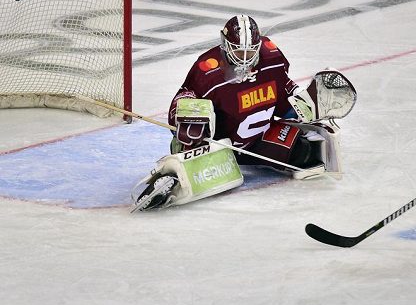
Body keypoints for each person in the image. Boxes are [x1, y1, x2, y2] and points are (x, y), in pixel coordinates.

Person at [132, 15, 356, 212]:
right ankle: (171, 176)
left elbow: (283, 93)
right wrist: (186, 114)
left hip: (258, 138)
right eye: (239, 51)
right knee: (189, 162)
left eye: (251, 51)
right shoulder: (208, 70)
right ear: (225, 44)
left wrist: (305, 104)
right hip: (220, 144)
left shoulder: (272, 58)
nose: (245, 59)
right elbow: (183, 98)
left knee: (307, 154)